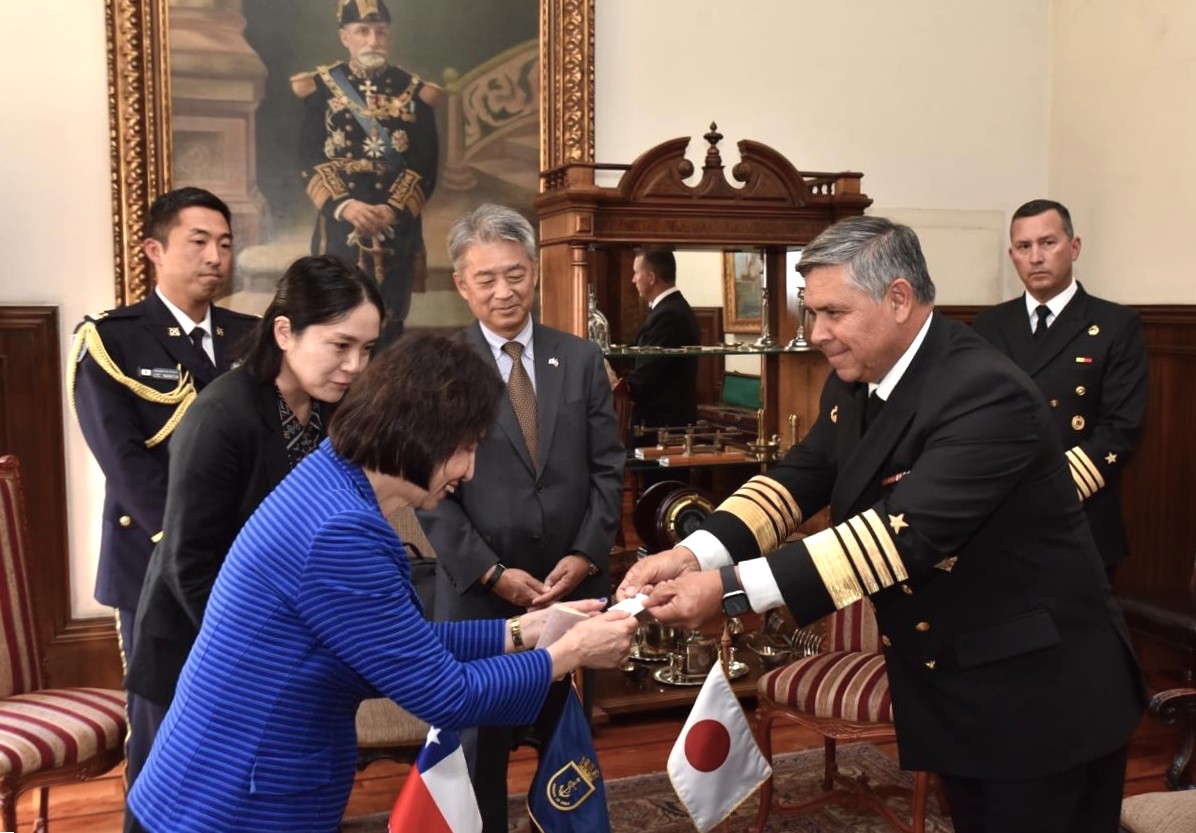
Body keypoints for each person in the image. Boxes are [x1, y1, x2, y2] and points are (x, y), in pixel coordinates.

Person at [619, 216, 1144, 833]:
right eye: (811, 312)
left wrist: (730, 590)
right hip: (958, 683)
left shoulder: (985, 390)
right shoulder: (859, 380)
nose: (817, 333)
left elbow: (898, 536)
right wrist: (696, 552)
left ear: (898, 298)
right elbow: (799, 477)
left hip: (1041, 698)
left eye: (834, 313)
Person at [125, 335, 638, 833]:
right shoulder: (340, 532)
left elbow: (393, 643)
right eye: (467, 448)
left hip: (217, 784)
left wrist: (522, 632)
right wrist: (570, 653)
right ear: (423, 434)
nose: (469, 470)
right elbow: (447, 695)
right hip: (230, 803)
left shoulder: (332, 478)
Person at [120, 255, 383, 806]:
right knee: (178, 811)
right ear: (285, 332)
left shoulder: (329, 412)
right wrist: (259, 654)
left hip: (270, 657)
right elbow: (188, 564)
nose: (355, 365)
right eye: (341, 346)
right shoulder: (223, 414)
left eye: (367, 349)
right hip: (195, 652)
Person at [418, 203, 624, 832]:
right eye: (486, 279)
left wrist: (586, 554)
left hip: (568, 591)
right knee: (476, 748)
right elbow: (429, 492)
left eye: (515, 274)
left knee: (566, 744)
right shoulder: (439, 368)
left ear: (535, 272)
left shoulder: (580, 358)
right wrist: (491, 573)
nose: (504, 291)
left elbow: (608, 468)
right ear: (462, 284)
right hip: (480, 596)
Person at [68, 187, 257, 669]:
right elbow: (125, 462)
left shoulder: (251, 336)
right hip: (154, 557)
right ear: (155, 250)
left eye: (225, 244)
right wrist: (190, 548)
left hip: (245, 559)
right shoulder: (112, 339)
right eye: (199, 241)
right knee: (163, 709)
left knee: (241, 703)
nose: (215, 257)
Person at [973, 199, 1147, 579]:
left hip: (1078, 518)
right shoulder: (988, 326)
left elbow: (1122, 428)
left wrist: (1049, 486)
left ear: (1074, 247)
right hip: (999, 518)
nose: (1036, 257)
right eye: (1024, 246)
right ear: (1012, 256)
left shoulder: (1116, 324)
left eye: (1048, 243)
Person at [291, 0, 440, 349]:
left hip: (396, 227)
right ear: (345, 37)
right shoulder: (321, 88)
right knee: (335, 317)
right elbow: (309, 156)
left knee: (391, 318)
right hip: (341, 224)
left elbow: (425, 163)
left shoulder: (414, 90)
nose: (373, 40)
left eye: (381, 32)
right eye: (362, 31)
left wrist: (392, 208)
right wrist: (345, 205)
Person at [627, 247, 701, 439]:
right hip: (663, 426)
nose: (633, 279)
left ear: (651, 277)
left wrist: (614, 386)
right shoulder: (669, 309)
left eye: (636, 273)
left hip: (662, 428)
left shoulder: (669, 315)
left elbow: (647, 375)